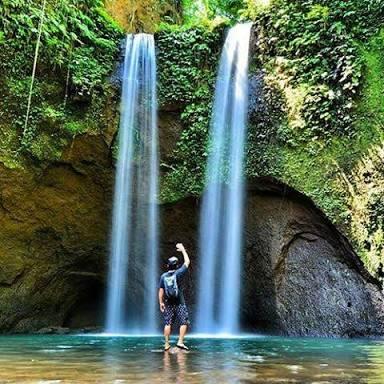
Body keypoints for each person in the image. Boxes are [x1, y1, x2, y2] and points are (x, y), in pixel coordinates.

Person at [158, 243, 190, 351]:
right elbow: (187, 262)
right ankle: (180, 342)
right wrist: (183, 250)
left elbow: (161, 290)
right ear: (176, 266)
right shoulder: (178, 273)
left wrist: (161, 303)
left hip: (168, 303)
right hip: (179, 301)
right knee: (184, 322)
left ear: (167, 266)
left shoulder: (163, 276)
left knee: (168, 323)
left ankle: (167, 344)